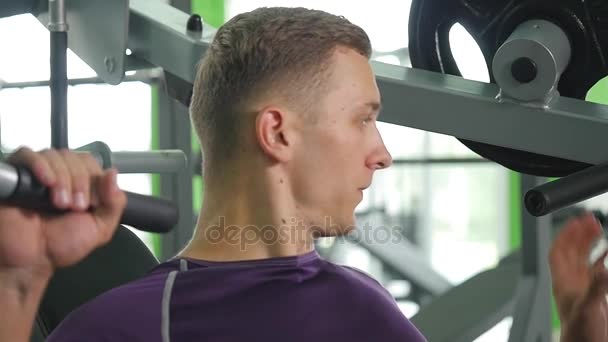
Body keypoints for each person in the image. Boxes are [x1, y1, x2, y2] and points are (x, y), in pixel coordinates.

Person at [0, 6, 607, 342]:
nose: (383, 153)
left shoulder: (365, 314)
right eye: (363, 120)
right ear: (278, 133)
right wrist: (20, 283)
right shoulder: (126, 327)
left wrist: (580, 332)